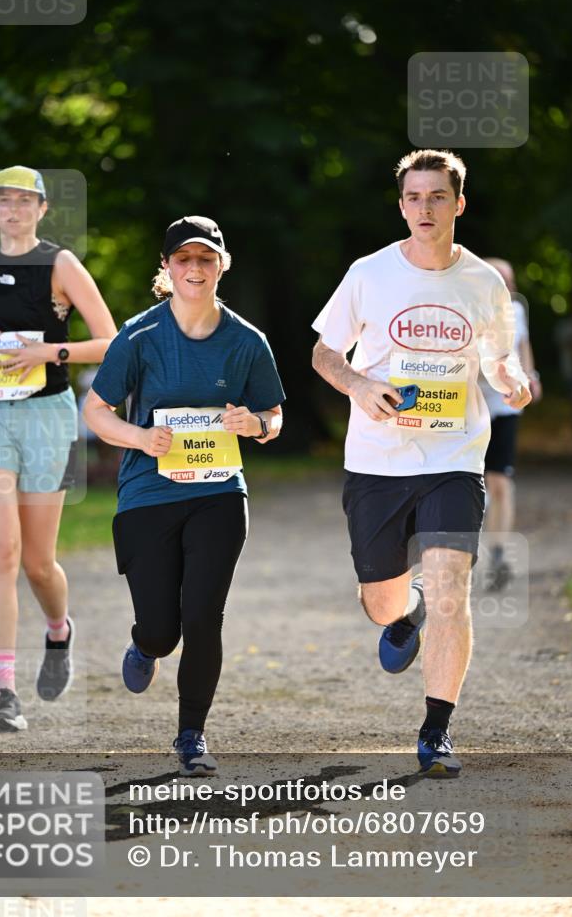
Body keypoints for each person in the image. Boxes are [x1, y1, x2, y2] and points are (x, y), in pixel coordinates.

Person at [312, 149, 531, 776]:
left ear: (459, 204)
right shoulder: (369, 273)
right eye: (414, 197)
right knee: (381, 604)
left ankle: (436, 731)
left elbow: (499, 358)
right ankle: (404, 610)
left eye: (437, 197)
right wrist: (358, 385)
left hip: (454, 455)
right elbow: (325, 354)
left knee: (451, 589)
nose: (424, 208)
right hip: (377, 461)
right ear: (402, 205)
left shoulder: (484, 283)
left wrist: (512, 380)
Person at [83, 215, 285, 776]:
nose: (195, 268)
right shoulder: (140, 335)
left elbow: (274, 414)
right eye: (184, 259)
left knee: (202, 617)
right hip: (148, 493)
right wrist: (140, 437)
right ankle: (145, 646)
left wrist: (257, 425)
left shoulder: (247, 341)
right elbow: (96, 411)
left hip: (219, 493)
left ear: (222, 265)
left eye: (206, 258)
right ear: (167, 268)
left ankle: (191, 735)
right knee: (162, 629)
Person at [0, 166, 117, 733]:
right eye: (4, 201)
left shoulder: (60, 264)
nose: (14, 210)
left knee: (38, 563)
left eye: (25, 201)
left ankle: (58, 630)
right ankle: (5, 694)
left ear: (42, 209)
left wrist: (50, 353)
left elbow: (111, 341)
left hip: (48, 416)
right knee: (2, 551)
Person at [479, 259, 542, 590]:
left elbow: (523, 345)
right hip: (470, 406)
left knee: (500, 482)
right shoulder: (468, 309)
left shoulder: (516, 311)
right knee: (470, 483)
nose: (505, 286)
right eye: (498, 279)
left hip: (505, 407)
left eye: (508, 280)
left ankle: (498, 554)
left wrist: (531, 376)